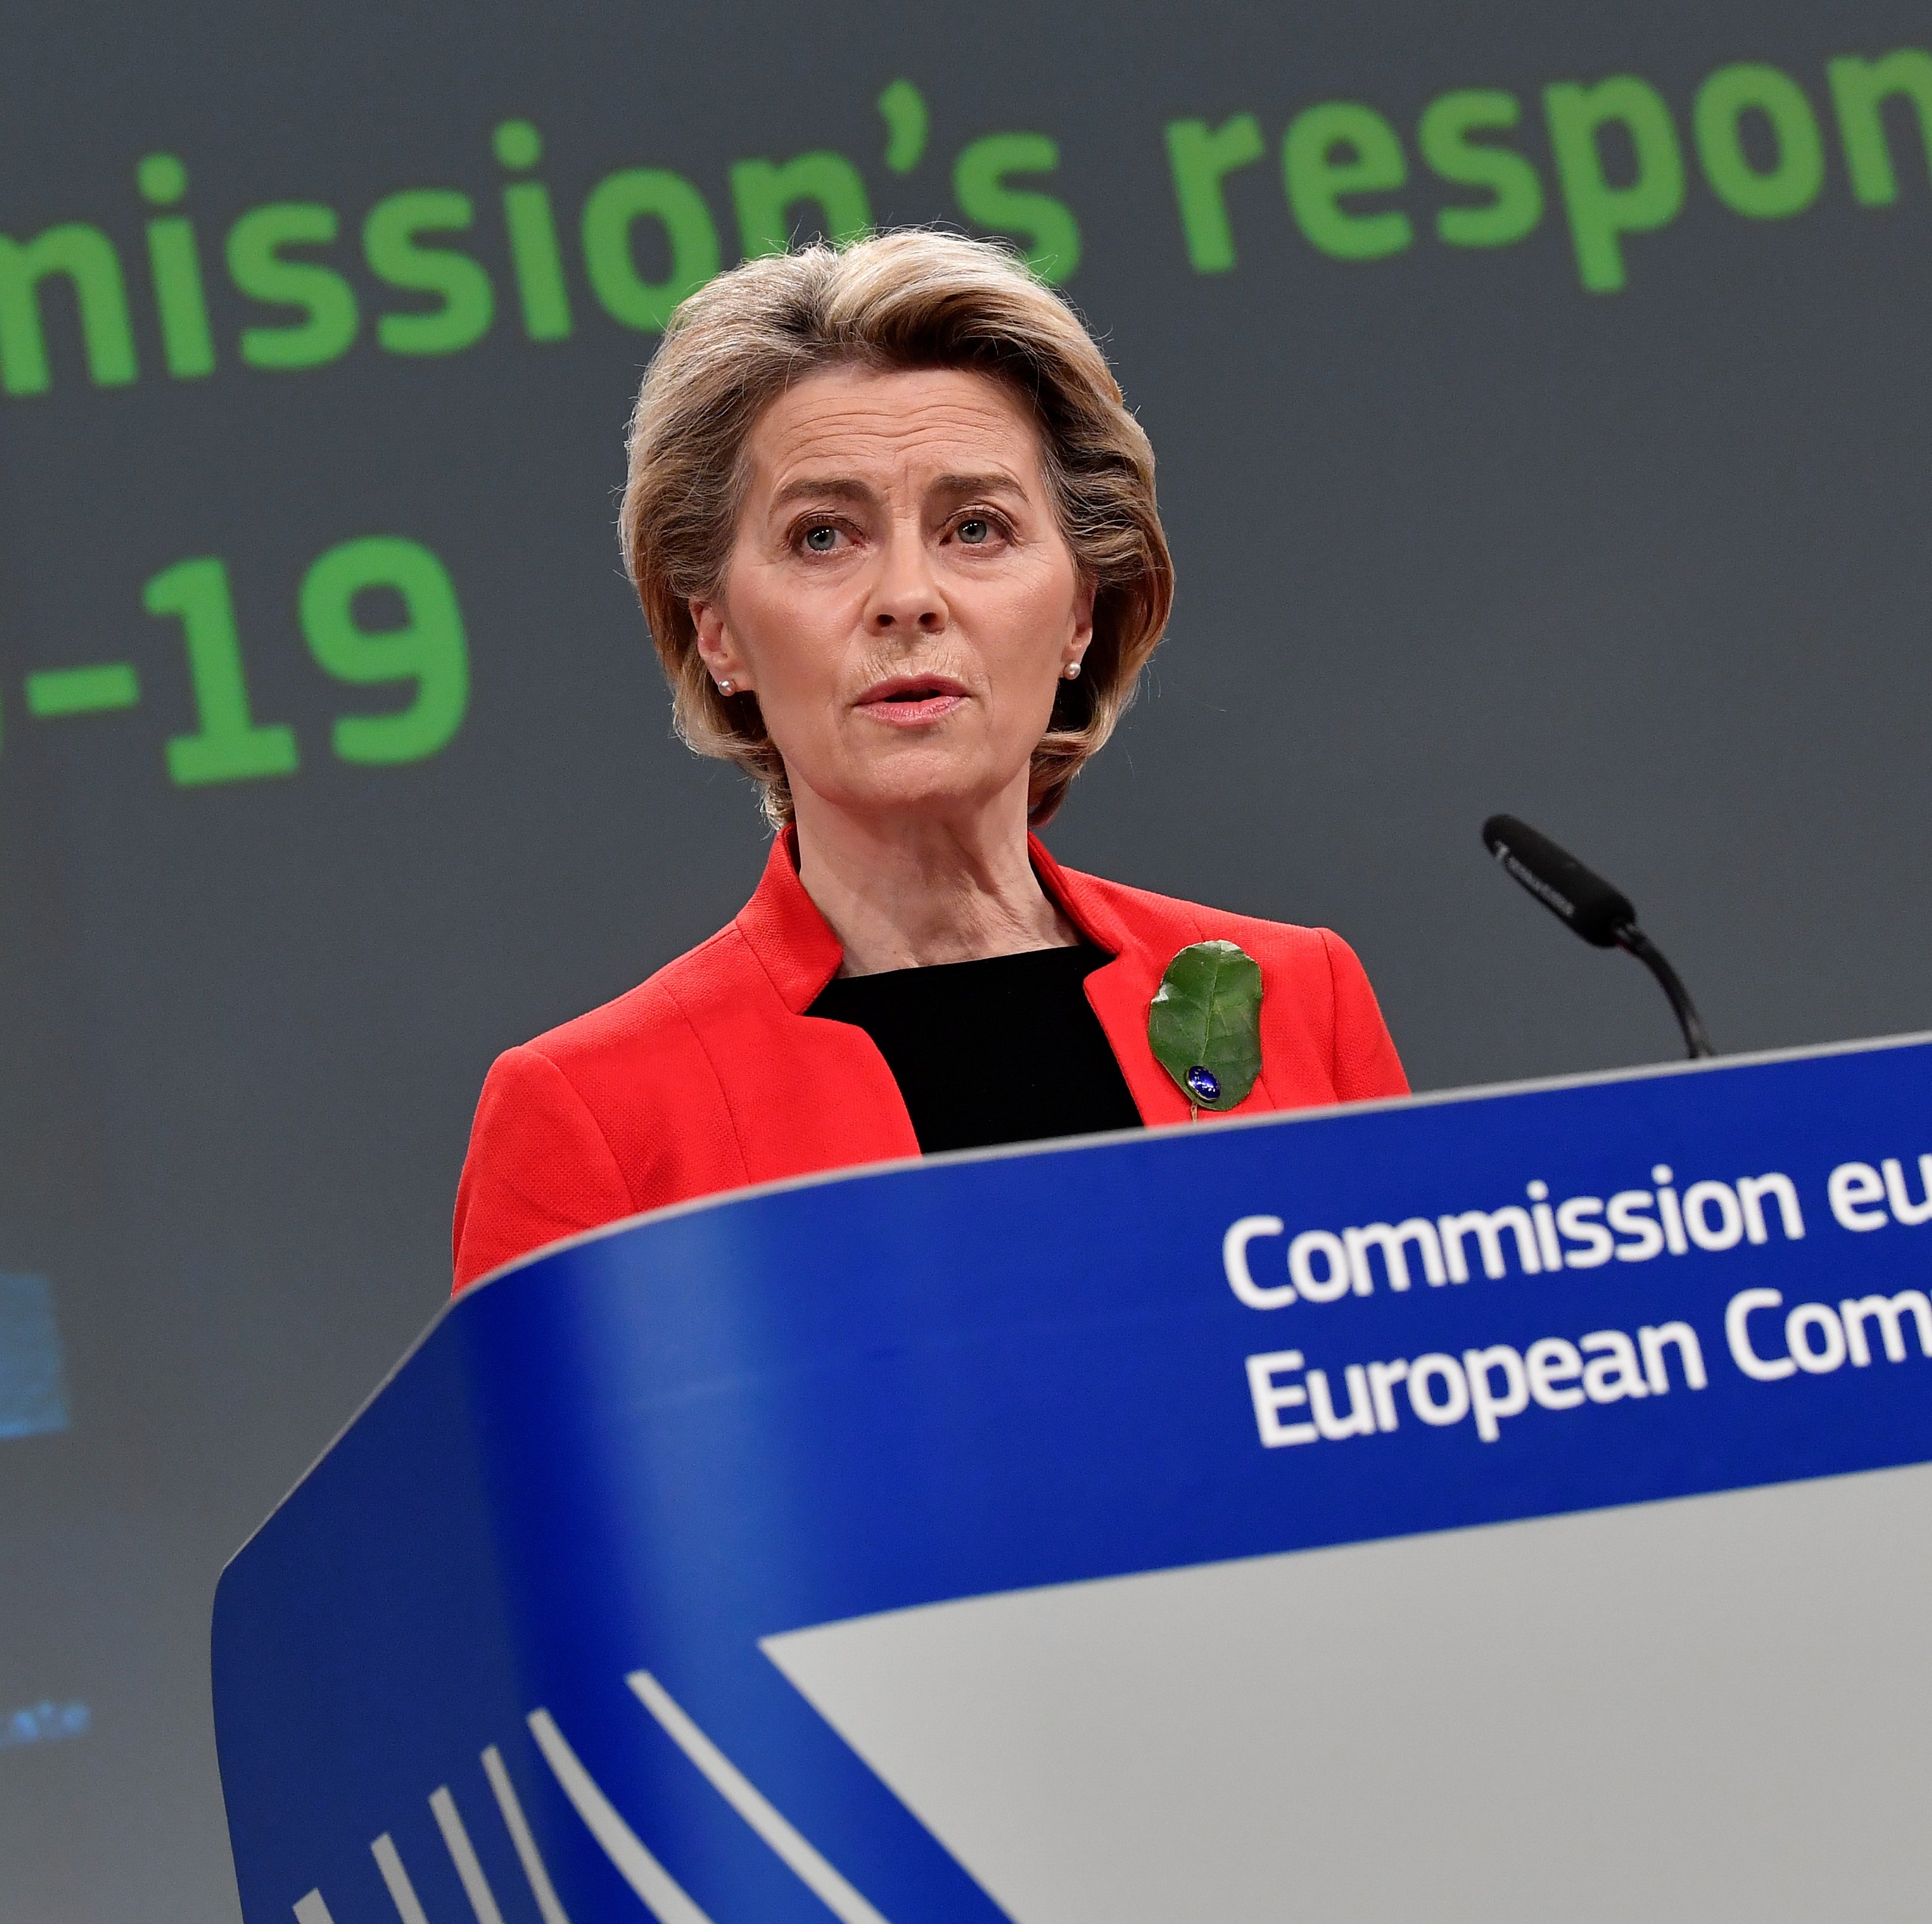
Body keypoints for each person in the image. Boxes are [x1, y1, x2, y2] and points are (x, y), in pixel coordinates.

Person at [450, 230, 1406, 1291]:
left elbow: (1425, 1419)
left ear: (1080, 609)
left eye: (976, 527)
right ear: (716, 630)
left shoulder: (1293, 998)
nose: (909, 595)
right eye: (823, 535)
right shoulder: (597, 1114)